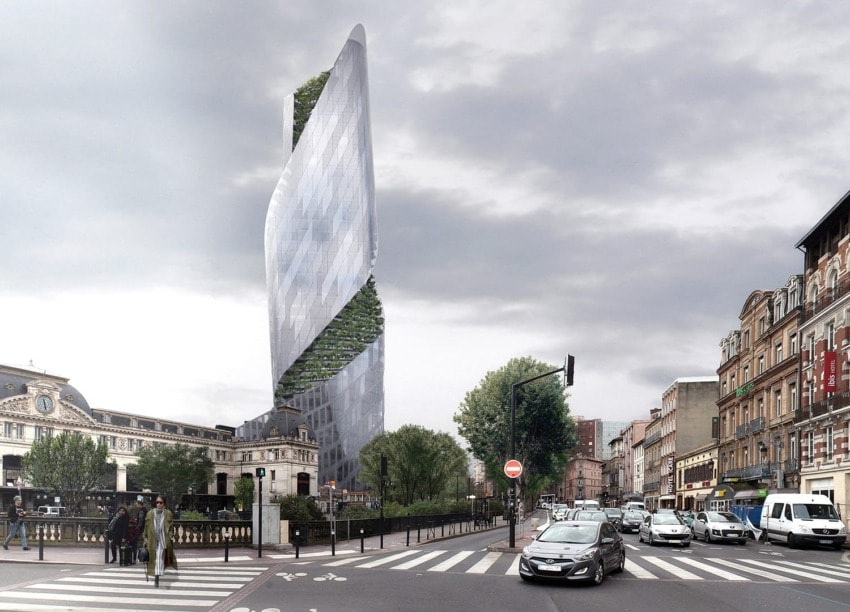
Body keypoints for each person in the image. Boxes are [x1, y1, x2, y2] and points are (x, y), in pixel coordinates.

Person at [142, 496, 177, 587]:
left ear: (164, 504)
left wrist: (170, 536)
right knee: (154, 559)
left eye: (161, 502)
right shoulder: (150, 513)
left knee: (159, 559)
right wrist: (145, 538)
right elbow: (146, 526)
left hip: (163, 540)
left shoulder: (168, 513)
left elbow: (171, 527)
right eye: (157, 502)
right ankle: (157, 576)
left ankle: (156, 578)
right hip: (152, 540)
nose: (159, 504)